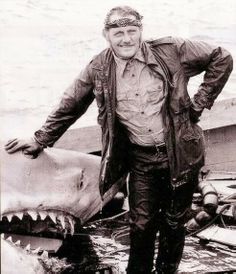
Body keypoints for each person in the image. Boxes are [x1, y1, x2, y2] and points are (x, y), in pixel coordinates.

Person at [5, 5, 233, 274]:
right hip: (141, 157)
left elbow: (222, 57)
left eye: (131, 31)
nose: (126, 38)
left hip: (181, 153)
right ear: (106, 35)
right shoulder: (99, 67)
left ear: (140, 32)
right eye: (118, 33)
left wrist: (199, 103)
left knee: (174, 222)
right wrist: (41, 138)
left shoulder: (172, 50)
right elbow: (71, 104)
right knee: (141, 224)